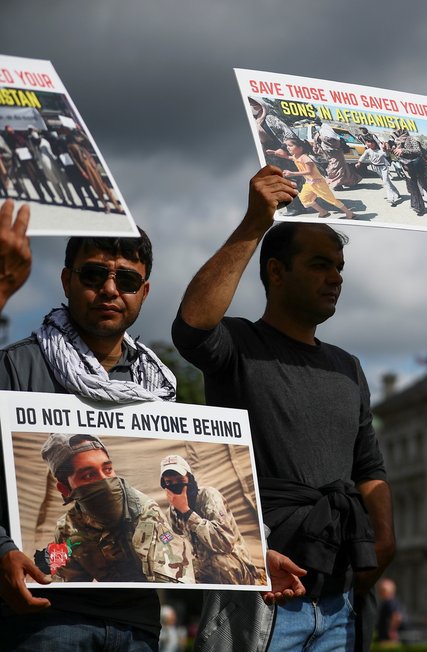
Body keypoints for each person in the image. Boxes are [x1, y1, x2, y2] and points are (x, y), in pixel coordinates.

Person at [172, 166, 394, 652]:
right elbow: (191, 327)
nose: (335, 277)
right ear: (276, 270)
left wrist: (383, 539)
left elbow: (369, 468)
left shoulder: (348, 367)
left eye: (338, 267)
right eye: (319, 264)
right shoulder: (238, 344)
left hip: (340, 602)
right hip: (263, 597)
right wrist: (255, 223)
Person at [0, 198, 182, 650]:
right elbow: (56, 558)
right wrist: (3, 551)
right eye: (93, 274)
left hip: (139, 626)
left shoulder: (159, 389)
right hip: (42, 623)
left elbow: (172, 541)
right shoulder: (15, 369)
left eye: (126, 279)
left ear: (144, 291)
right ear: (66, 280)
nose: (109, 289)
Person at [40, 433, 194, 584]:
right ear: (65, 489)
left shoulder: (145, 512)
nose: (105, 481)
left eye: (107, 469)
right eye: (88, 475)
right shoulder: (65, 529)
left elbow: (173, 583)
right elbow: (63, 587)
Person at [159, 454, 261, 585]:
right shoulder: (171, 513)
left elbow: (224, 544)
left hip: (231, 565)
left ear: (189, 479)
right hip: (200, 569)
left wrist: (186, 512)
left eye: (179, 480)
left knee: (218, 563)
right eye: (169, 483)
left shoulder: (209, 496)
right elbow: (169, 541)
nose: (175, 485)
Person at [266, 139, 356, 220]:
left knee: (331, 200)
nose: (288, 148)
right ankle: (323, 212)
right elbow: (287, 157)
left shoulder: (305, 158)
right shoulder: (296, 156)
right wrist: (274, 152)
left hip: (318, 183)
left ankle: (349, 213)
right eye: (287, 146)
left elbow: (309, 171)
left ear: (300, 148)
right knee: (304, 198)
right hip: (309, 184)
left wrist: (292, 173)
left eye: (290, 146)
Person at [355, 138, 401, 206]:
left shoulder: (380, 150)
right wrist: (359, 163)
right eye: (368, 142)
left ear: (374, 143)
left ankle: (391, 198)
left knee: (385, 182)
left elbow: (387, 155)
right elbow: (363, 157)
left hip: (383, 168)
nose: (369, 144)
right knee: (388, 182)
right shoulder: (368, 151)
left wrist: (385, 149)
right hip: (376, 168)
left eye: (371, 142)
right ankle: (397, 193)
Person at [375, 577, 403, 646]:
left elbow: (397, 616)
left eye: (382, 590)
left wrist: (392, 631)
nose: (379, 592)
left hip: (388, 638)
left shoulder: (390, 602)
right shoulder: (388, 602)